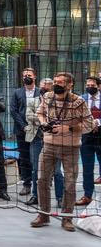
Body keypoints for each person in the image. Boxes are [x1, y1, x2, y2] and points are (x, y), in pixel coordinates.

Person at [31, 72, 100, 231]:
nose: (57, 84)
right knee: (42, 179)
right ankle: (43, 214)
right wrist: (44, 123)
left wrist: (68, 128)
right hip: (48, 144)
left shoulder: (78, 101)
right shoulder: (47, 96)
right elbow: (40, 113)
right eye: (55, 81)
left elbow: (89, 125)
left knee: (70, 183)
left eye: (61, 82)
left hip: (71, 147)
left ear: (70, 85)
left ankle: (67, 218)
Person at [25, 78, 65, 208]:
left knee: (57, 171)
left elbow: (60, 119)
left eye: (49, 86)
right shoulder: (32, 101)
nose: (46, 88)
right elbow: (29, 117)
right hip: (37, 139)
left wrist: (46, 119)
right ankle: (35, 196)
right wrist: (45, 121)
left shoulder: (58, 102)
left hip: (55, 140)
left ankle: (60, 198)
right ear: (40, 86)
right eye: (44, 85)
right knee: (36, 169)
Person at [10, 68, 37, 196]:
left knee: (36, 158)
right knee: (25, 158)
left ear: (34, 77)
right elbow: (13, 111)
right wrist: (24, 126)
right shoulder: (17, 92)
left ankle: (38, 185)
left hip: (38, 131)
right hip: (22, 131)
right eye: (25, 75)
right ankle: (27, 184)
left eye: (29, 75)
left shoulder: (41, 92)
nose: (27, 77)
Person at [77, 76, 101, 206]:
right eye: (88, 85)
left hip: (100, 135)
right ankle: (87, 195)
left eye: (92, 85)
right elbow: (77, 115)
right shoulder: (81, 99)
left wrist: (98, 122)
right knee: (87, 168)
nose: (89, 87)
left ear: (98, 86)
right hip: (86, 137)